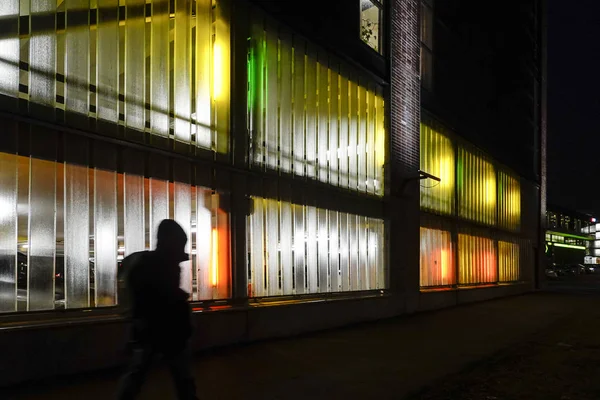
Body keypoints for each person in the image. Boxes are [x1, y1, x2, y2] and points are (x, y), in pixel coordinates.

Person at [117, 219, 198, 400]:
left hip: (154, 331)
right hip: (167, 331)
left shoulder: (151, 264)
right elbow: (163, 296)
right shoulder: (162, 265)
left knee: (137, 374)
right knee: (182, 378)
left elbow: (148, 297)